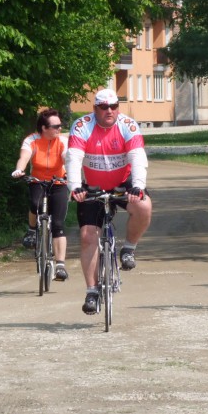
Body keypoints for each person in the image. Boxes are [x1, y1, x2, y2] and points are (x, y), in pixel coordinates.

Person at [67, 88, 153, 315]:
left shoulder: (128, 125)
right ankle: (92, 291)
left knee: (144, 206)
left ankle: (128, 249)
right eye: (104, 107)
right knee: (87, 237)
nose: (109, 111)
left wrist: (138, 186)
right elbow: (74, 158)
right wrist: (74, 186)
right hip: (92, 187)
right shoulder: (82, 125)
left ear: (118, 107)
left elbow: (137, 157)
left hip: (122, 184)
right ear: (95, 108)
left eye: (113, 106)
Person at [11, 109, 70, 281]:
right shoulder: (32, 140)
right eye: (56, 126)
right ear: (44, 128)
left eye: (61, 125)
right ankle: (31, 230)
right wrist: (19, 170)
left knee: (58, 223)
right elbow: (24, 157)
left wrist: (72, 176)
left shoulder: (63, 141)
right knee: (34, 203)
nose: (59, 128)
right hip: (37, 180)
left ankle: (60, 265)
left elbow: (67, 157)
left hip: (59, 182)